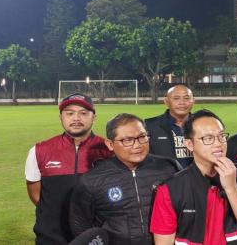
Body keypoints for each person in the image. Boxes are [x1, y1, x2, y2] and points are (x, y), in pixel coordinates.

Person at [150, 109, 237, 245]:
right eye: (208, 138)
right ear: (189, 144)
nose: (218, 143)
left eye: (222, 136)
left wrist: (231, 188)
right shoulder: (170, 189)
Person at [70, 113, 180, 244]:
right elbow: (81, 227)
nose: (137, 145)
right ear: (110, 144)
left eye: (142, 137)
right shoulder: (92, 180)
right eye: (127, 140)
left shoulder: (169, 168)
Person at [24, 93, 112, 244]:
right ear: (61, 117)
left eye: (83, 113)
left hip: (95, 238)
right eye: (69, 113)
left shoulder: (109, 150)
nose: (76, 118)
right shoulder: (39, 150)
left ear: (94, 118)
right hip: (51, 238)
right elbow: (36, 195)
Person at [145, 84, 195, 169]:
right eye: (176, 98)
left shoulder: (203, 125)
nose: (182, 102)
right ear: (166, 102)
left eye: (186, 98)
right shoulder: (149, 126)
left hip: (197, 179)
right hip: (164, 179)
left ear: (193, 101)